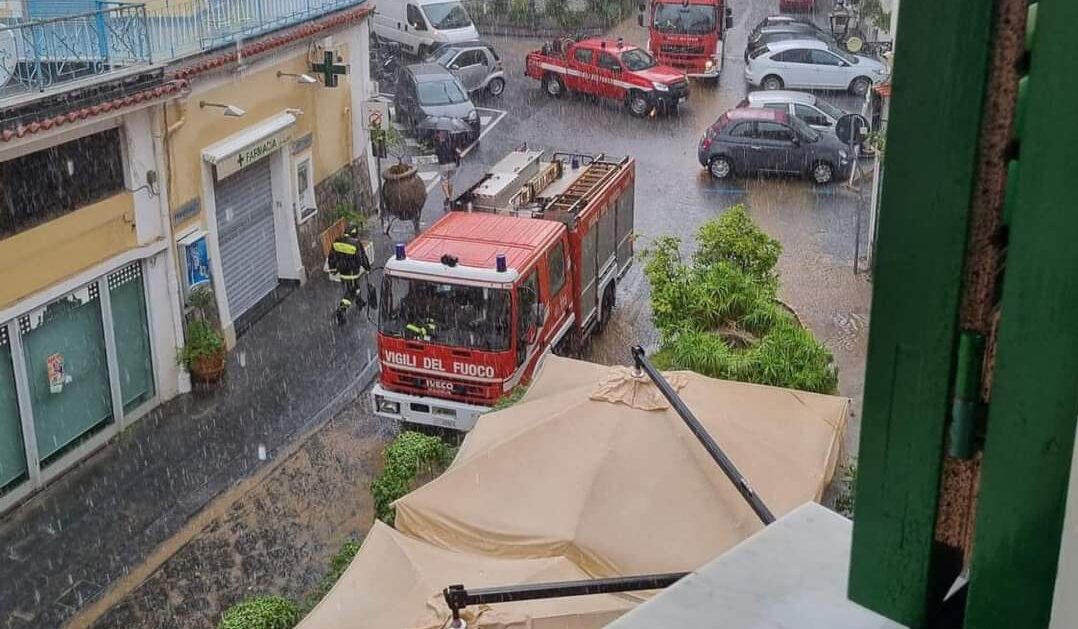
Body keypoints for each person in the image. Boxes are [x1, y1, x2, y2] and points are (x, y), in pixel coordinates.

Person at [328, 224, 371, 325]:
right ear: (354, 233)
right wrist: (367, 268)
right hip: (352, 273)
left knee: (354, 287)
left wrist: (333, 269)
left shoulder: (337, 241)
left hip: (342, 273)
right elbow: (362, 257)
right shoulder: (355, 243)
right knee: (351, 291)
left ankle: (359, 302)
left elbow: (331, 257)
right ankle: (342, 309)